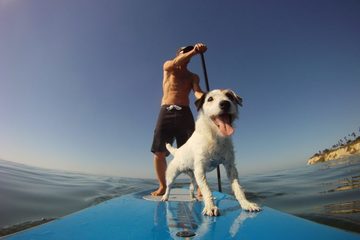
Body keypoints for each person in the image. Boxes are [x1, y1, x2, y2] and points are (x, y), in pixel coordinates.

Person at [151, 43, 207, 196]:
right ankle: (162, 186)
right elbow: (176, 62)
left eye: (189, 51)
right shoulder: (168, 65)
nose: (188, 53)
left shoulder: (193, 76)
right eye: (184, 51)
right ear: (178, 53)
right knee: (159, 152)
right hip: (166, 111)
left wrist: (207, 98)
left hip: (185, 114)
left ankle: (200, 186)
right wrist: (194, 51)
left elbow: (197, 92)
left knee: (195, 153)